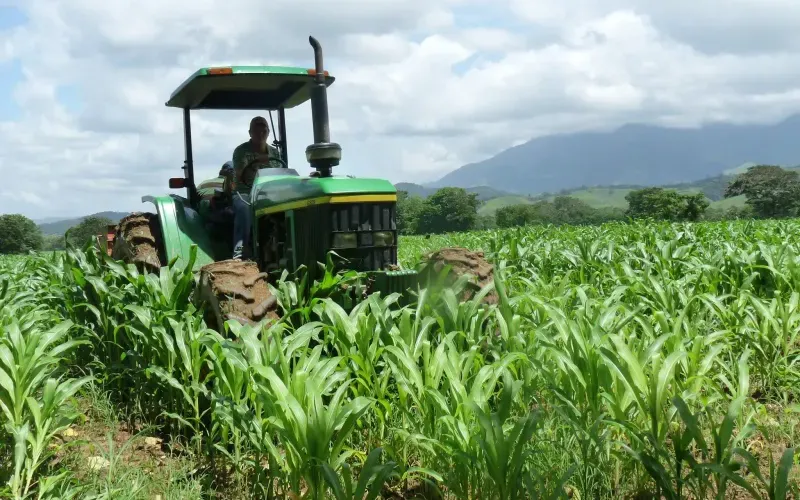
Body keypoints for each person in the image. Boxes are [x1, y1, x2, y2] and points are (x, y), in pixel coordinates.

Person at [230, 116, 283, 260]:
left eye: (263, 129)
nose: (260, 133)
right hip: (245, 192)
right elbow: (242, 174)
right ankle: (240, 250)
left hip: (269, 193)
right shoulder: (241, 151)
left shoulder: (275, 152)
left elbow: (279, 174)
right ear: (250, 132)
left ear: (268, 132)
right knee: (244, 207)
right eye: (256, 130)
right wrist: (257, 163)